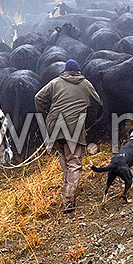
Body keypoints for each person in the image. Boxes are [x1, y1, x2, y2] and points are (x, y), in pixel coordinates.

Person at [33, 59, 102, 214]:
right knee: (74, 163)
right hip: (73, 127)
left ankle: (67, 188)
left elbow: (38, 98)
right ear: (78, 71)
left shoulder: (56, 82)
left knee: (64, 157)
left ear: (65, 71)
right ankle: (68, 201)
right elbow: (97, 101)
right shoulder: (85, 84)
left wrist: (46, 113)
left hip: (54, 126)